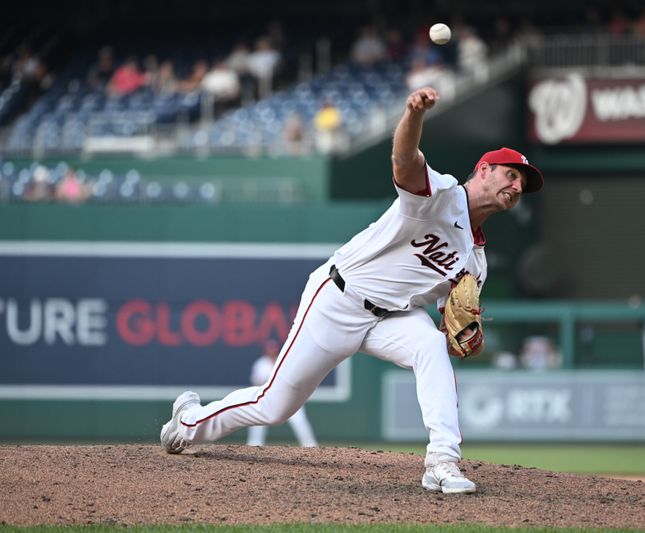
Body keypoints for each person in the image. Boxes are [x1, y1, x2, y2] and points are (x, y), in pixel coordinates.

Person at [159, 86, 544, 495]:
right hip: (339, 299)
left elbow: (453, 323)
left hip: (392, 318)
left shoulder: (477, 262)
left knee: (429, 346)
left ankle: (442, 460)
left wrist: (464, 336)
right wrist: (413, 114)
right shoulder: (442, 195)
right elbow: (404, 160)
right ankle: (189, 422)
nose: (518, 186)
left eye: (523, 183)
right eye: (512, 174)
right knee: (275, 406)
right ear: (483, 170)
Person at [246, 340, 318, 448]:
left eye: (273, 350)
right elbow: (256, 383)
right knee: (257, 423)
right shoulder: (261, 364)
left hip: (288, 397)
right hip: (268, 399)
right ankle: (253, 446)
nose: (271, 352)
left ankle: (310, 447)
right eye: (269, 350)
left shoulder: (286, 362)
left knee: (300, 422)